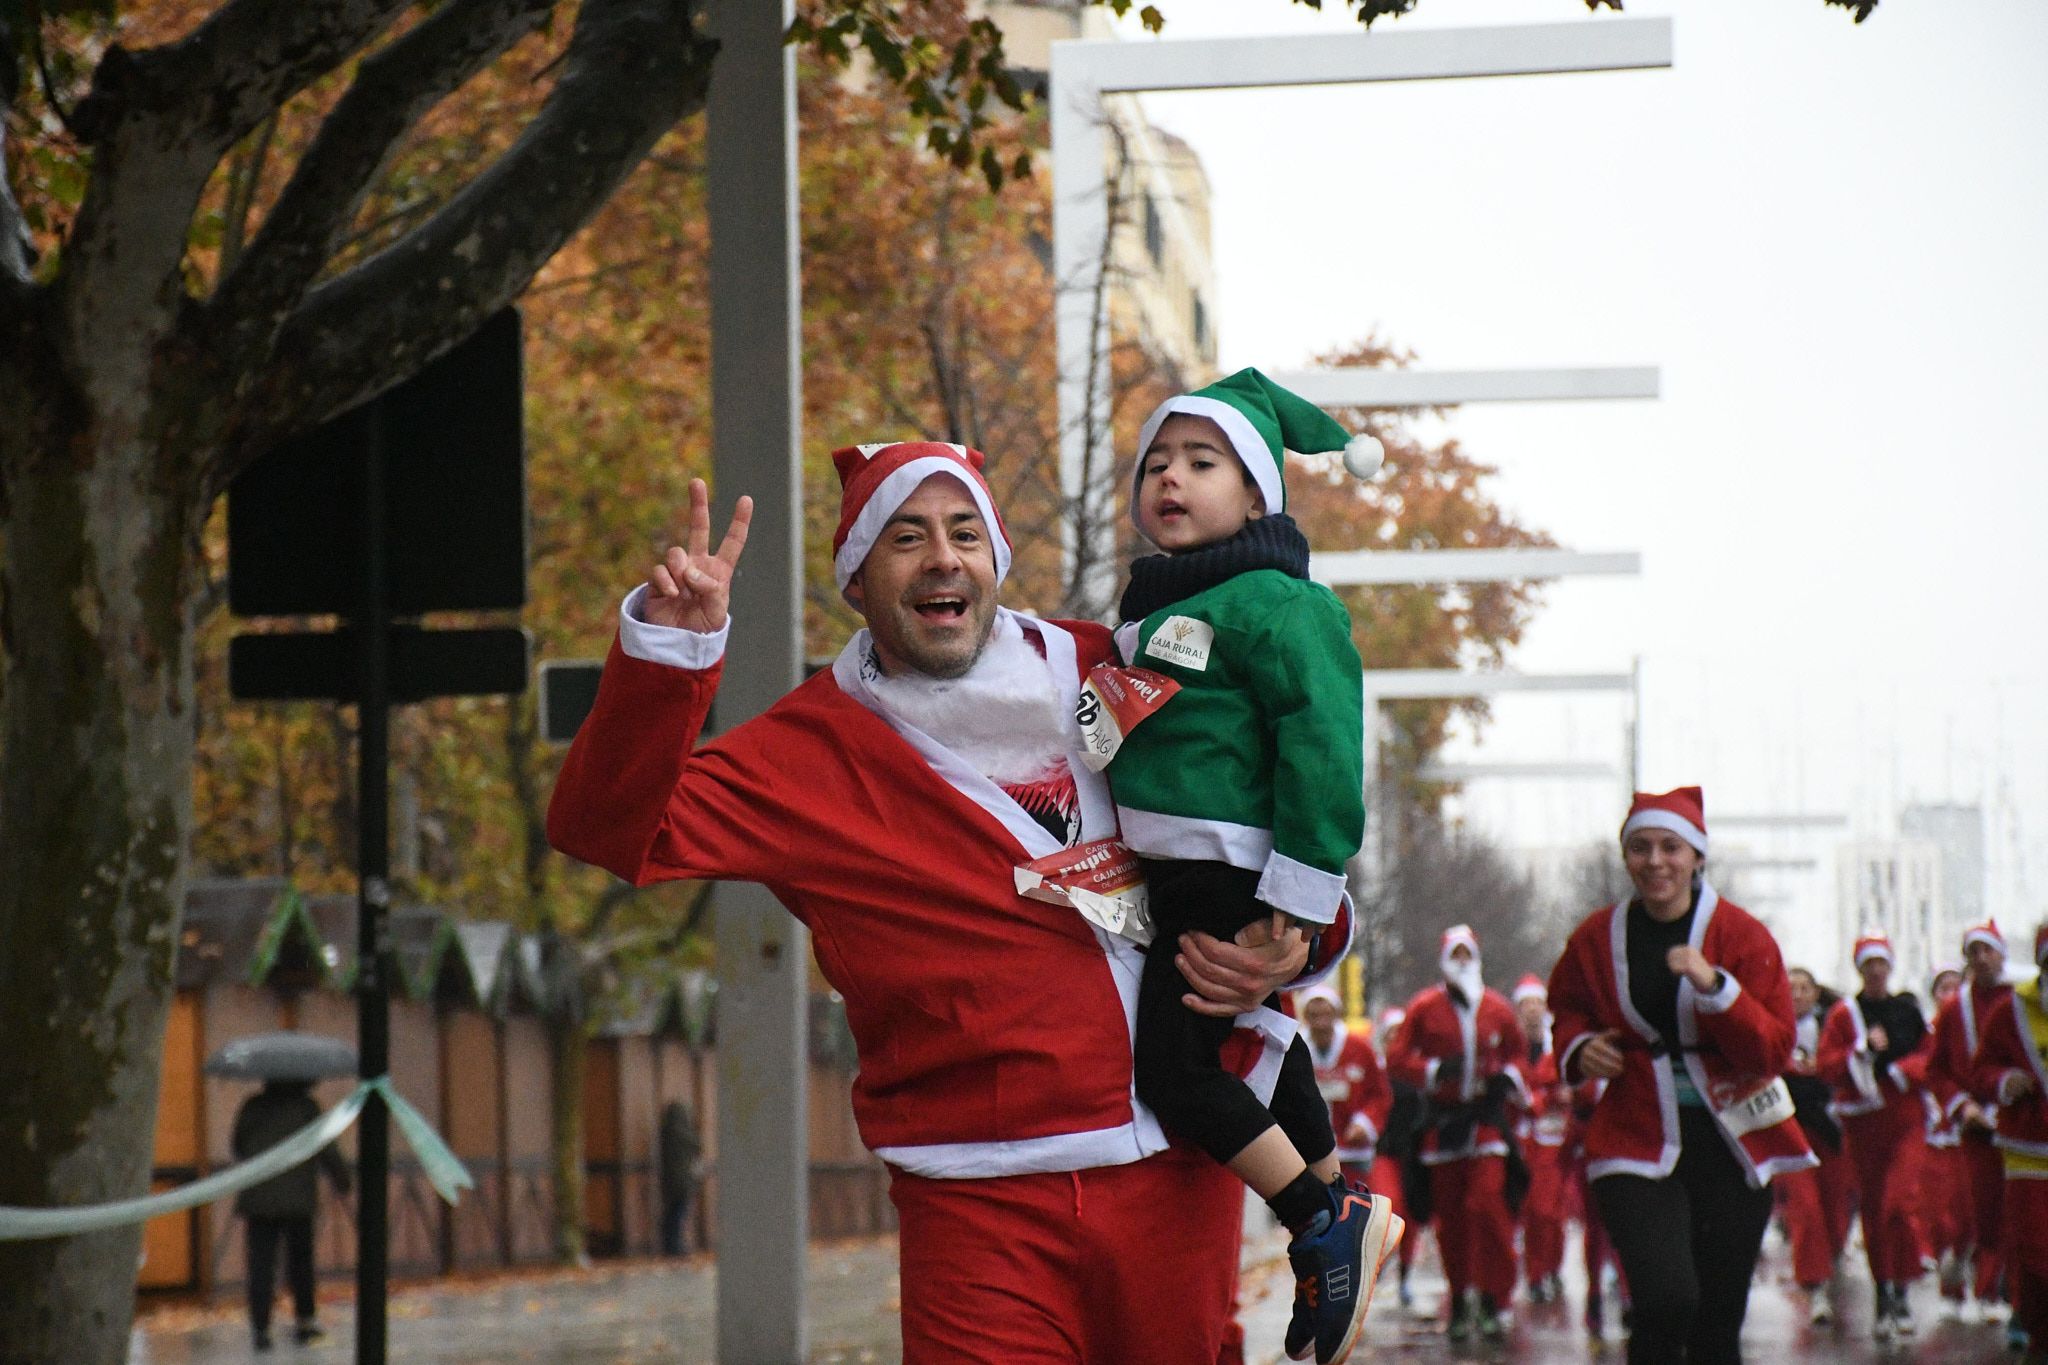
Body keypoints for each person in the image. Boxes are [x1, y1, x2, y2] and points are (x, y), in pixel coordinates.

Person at [546, 449, 1337, 1364]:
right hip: (974, 1198)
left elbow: (1267, 827)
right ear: (855, 579)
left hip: (1175, 1168)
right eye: (903, 537)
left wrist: (1300, 941)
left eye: (965, 533)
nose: (942, 559)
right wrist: (671, 653)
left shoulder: (1112, 665)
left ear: (996, 558)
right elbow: (608, 828)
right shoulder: (809, 749)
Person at [1103, 368, 1398, 1365]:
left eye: (1201, 460)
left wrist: (1300, 897)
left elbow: (1325, 742)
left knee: (1176, 1078)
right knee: (1262, 1040)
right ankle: (1339, 1198)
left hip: (1231, 870)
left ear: (1257, 492)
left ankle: (1317, 1223)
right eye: (1154, 463)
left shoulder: (1274, 601)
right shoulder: (1153, 601)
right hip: (1179, 874)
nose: (1169, 479)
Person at [1546, 787, 1814, 1365]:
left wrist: (1717, 989)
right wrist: (1580, 1046)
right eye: (1640, 847)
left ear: (1697, 857)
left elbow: (1774, 1049)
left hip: (1733, 1140)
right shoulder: (1597, 937)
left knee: (1717, 1325)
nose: (1655, 861)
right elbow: (1566, 1009)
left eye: (1672, 847)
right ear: (1625, 857)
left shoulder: (1742, 936)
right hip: (1635, 1135)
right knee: (1667, 1300)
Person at [1386, 925, 1529, 1341]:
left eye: (1469, 954)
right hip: (1442, 1127)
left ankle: (1492, 1298)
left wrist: (1509, 1077)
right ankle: (1462, 1299)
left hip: (1485, 1122)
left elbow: (1518, 1054)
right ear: (1445, 959)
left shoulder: (1499, 1008)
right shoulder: (1425, 1007)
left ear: (1478, 958)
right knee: (1451, 1219)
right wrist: (1431, 1072)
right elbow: (1396, 1058)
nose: (1463, 962)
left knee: (1486, 1206)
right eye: (1456, 954)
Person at [1817, 930, 1932, 1338]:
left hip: (1905, 1118)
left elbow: (1930, 1054)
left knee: (1898, 1204)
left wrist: (1903, 1071)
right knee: (1872, 1209)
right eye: (1869, 964)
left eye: (1882, 962)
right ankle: (1885, 1293)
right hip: (1863, 1123)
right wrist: (1860, 1052)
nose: (1877, 971)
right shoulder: (1844, 1015)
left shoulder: (1908, 1009)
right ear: (1860, 969)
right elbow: (1826, 1065)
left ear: (1891, 966)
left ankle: (1902, 1286)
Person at [1927, 919, 2017, 1335]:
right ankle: (1979, 1284)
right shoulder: (1953, 1009)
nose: (1981, 959)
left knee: (2019, 1213)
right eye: (1973, 952)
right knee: (1980, 1210)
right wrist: (1961, 1107)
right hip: (1975, 1128)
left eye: (1988, 950)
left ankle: (2001, 1293)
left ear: (2002, 954)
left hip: (2025, 1126)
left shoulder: (2023, 1000)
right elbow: (1936, 1070)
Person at [1967, 922, 2048, 1363]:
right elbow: (1979, 1070)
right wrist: (2004, 1081)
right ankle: (2036, 1330)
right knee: (2036, 1255)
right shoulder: (2011, 1010)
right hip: (2027, 1152)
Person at [230, 1079, 352, 1351]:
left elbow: (238, 1143)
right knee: (301, 1262)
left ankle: (261, 1328)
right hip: (298, 1198)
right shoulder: (306, 1108)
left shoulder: (252, 1106)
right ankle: (305, 1322)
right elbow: (325, 1145)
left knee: (261, 1265)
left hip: (259, 1197)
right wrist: (342, 1179)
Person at [1778, 964, 1853, 1325]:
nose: (1796, 995)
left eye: (1804, 988)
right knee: (1805, 1206)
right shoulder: (1773, 1027)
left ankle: (1833, 1255)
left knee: (1835, 1204)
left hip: (1831, 1127)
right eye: (1789, 988)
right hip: (1793, 1129)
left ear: (1815, 992)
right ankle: (1814, 1283)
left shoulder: (1834, 1025)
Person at [1920, 963, 1978, 1320]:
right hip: (1932, 1134)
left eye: (1958, 987)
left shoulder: (1977, 1030)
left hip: (1971, 1132)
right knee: (1940, 1216)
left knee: (1972, 1213)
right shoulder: (1924, 1031)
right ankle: (1951, 1288)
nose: (1951, 995)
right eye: (1944, 988)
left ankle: (1981, 1285)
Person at [1511, 974, 1569, 1307]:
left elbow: (1570, 1087)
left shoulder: (1557, 1048)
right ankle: (1535, 1276)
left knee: (1551, 1212)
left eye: (1537, 1004)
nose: (1532, 1011)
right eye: (1526, 1005)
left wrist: (1551, 1098)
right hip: (1521, 1143)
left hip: (1553, 1143)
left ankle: (1553, 1267)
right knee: (1531, 1212)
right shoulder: (1512, 1050)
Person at [657, 1099, 703, 1256]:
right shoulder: (683, 1133)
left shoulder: (665, 1133)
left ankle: (671, 1244)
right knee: (680, 1213)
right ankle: (675, 1245)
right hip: (683, 1181)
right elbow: (697, 1145)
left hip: (669, 1180)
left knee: (672, 1212)